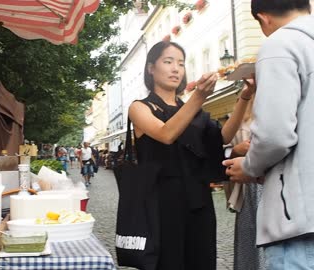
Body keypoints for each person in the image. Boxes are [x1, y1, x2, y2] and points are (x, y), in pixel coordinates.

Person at [127, 41, 254, 269]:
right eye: (168, 62)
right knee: (168, 262)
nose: (176, 68)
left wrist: (245, 97)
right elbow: (166, 134)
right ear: (151, 68)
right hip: (161, 202)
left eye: (181, 64)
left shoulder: (194, 109)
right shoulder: (140, 108)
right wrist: (199, 96)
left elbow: (222, 137)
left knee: (202, 260)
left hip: (198, 199)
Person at [223, 1, 314, 269]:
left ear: (263, 19)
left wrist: (250, 167)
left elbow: (274, 136)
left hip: (299, 223)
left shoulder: (281, 45)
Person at [223, 92, 266, 270]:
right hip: (248, 185)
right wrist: (236, 150)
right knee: (249, 236)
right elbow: (223, 149)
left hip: (272, 181)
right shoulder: (241, 113)